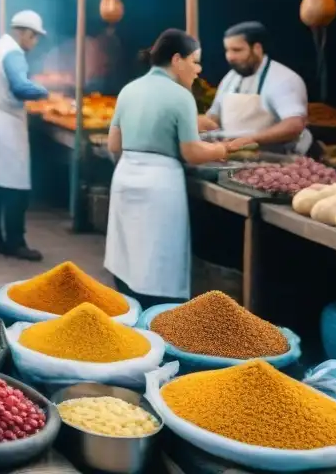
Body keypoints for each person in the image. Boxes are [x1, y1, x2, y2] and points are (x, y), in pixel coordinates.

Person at [105, 29, 252, 308]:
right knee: (159, 262)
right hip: (160, 184)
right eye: (195, 61)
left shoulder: (129, 89)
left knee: (128, 256)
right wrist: (225, 149)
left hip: (126, 178)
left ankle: (131, 316)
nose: (199, 69)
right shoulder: (180, 96)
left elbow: (115, 143)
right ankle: (159, 320)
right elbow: (192, 152)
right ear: (177, 60)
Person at [0, 10, 50, 260]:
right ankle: (16, 242)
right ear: (26, 33)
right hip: (6, 124)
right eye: (35, 37)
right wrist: (46, 90)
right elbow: (21, 87)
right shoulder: (13, 52)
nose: (34, 43)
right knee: (16, 187)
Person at [200, 21, 310, 154]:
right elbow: (214, 115)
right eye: (227, 50)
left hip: (278, 161)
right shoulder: (231, 77)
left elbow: (294, 125)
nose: (230, 57)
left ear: (257, 49)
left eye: (237, 50)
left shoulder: (283, 79)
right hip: (235, 158)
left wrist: (250, 139)